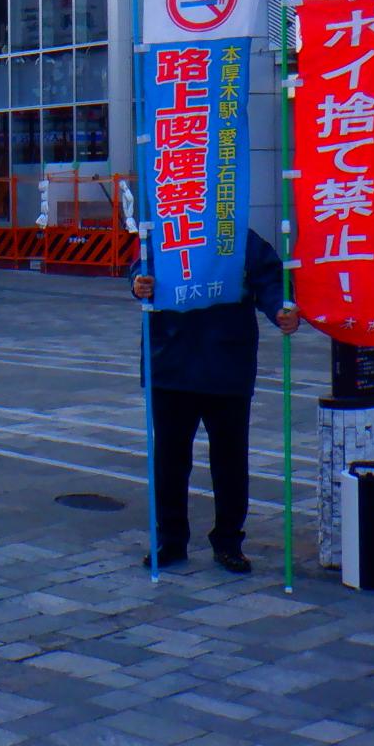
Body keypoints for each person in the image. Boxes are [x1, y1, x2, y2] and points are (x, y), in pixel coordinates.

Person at [132, 230, 299, 574]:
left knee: (229, 459)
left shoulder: (235, 232)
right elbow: (139, 267)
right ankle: (171, 538)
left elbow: (270, 276)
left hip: (227, 363)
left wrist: (281, 307)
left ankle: (228, 540)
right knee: (170, 459)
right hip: (171, 360)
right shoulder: (166, 226)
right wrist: (139, 283)